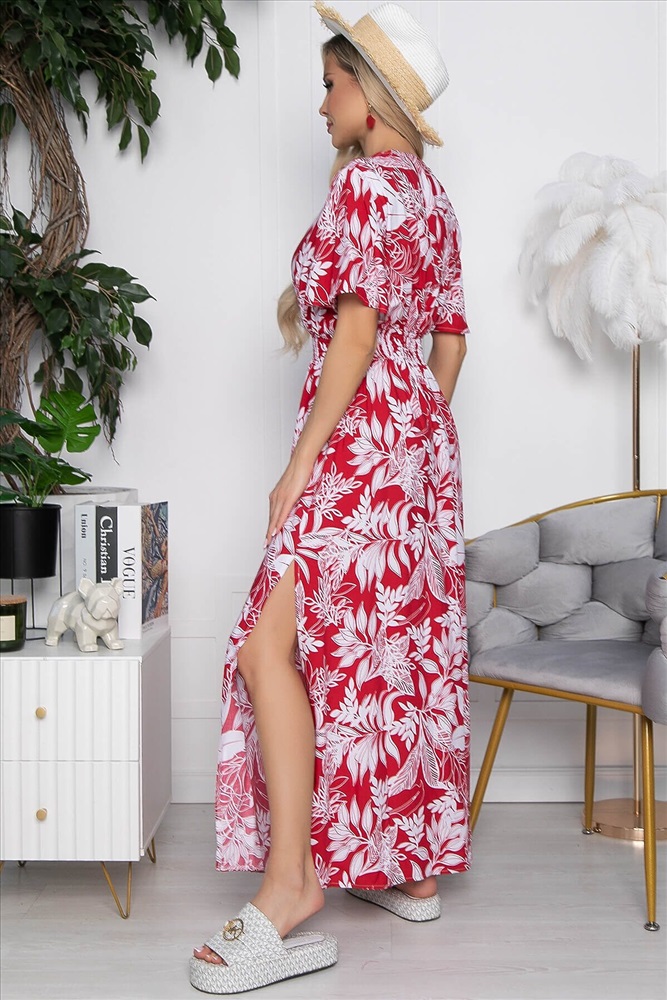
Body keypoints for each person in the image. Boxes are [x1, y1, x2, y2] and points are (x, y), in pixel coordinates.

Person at [190, 2, 470, 994]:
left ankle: (292, 886)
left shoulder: (363, 184)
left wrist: (302, 464)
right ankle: (411, 872)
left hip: (353, 447)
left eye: (330, 84)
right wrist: (410, 442)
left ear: (372, 97)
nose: (320, 105)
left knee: (268, 647)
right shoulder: (431, 196)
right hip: (414, 458)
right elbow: (448, 342)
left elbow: (353, 336)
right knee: (384, 655)